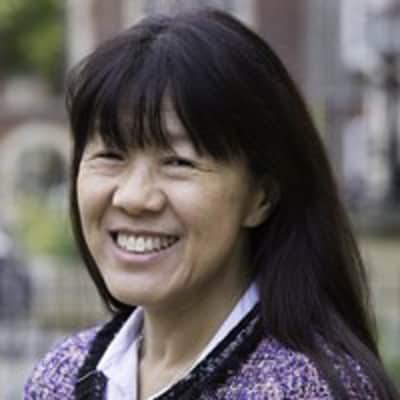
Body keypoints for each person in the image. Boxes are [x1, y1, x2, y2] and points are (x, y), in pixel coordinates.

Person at [24, 8, 399, 399]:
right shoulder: (61, 377)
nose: (134, 197)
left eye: (178, 162)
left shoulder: (306, 389)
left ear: (262, 196)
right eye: (110, 155)